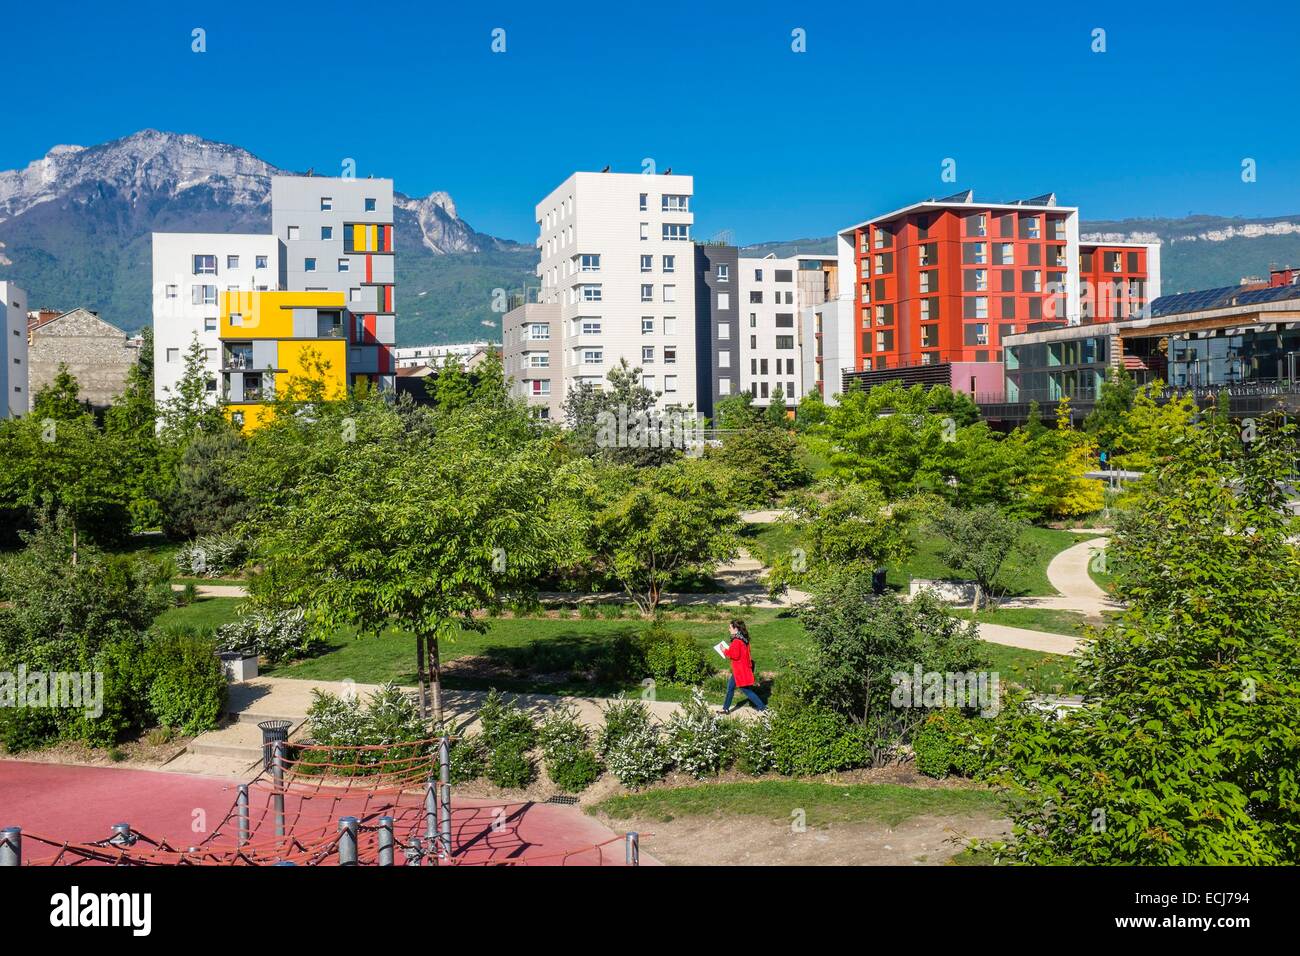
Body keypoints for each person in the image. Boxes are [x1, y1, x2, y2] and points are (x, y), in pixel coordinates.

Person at [721, 619, 766, 713]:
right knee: (730, 688)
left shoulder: (737, 641)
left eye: (730, 627)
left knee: (746, 690)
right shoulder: (744, 639)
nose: (729, 629)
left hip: (740, 670)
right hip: (741, 668)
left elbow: (735, 655)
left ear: (736, 629)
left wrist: (724, 650)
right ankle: (725, 708)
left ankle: (762, 707)